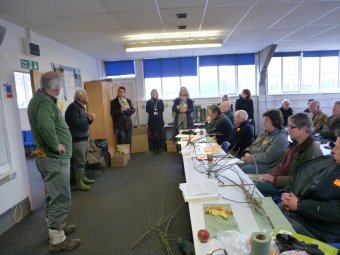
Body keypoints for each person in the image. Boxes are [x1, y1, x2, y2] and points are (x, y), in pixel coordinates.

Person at [27, 71, 81, 252]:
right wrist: (56, 145)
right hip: (54, 158)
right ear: (55, 87)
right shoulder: (44, 102)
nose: (60, 88)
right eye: (59, 85)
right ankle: (57, 240)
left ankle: (56, 227)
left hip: (47, 158)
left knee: (52, 193)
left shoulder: (39, 99)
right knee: (60, 196)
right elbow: (44, 126)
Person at [279, 136, 340, 242]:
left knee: (273, 227)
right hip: (301, 212)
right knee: (268, 213)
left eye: (338, 148)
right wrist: (288, 192)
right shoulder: (331, 162)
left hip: (318, 229)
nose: (333, 150)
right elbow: (303, 179)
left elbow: (335, 211)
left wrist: (299, 205)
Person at [256, 113, 323, 197]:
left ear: (303, 129)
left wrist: (274, 179)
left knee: (252, 187)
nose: (288, 129)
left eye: (292, 127)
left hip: (289, 190)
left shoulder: (312, 151)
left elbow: (301, 180)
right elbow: (282, 165)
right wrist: (270, 176)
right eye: (288, 126)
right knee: (249, 183)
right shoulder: (294, 145)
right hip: (279, 181)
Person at [238, 109, 288, 174]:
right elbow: (253, 145)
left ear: (275, 121)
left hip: (266, 168)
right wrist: (246, 153)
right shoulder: (264, 133)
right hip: (253, 161)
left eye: (266, 120)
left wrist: (251, 158)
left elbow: (268, 157)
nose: (263, 122)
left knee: (239, 171)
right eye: (264, 119)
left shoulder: (280, 138)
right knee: (234, 166)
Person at [65, 89, 96, 191]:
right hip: (77, 139)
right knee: (79, 161)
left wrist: (90, 119)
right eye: (86, 95)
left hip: (84, 137)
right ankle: (79, 183)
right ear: (80, 97)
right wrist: (88, 118)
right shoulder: (73, 107)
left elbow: (83, 123)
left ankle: (83, 178)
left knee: (83, 160)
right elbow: (75, 122)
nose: (88, 96)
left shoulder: (81, 107)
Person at [146, 89, 164, 154]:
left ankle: (159, 147)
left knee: (159, 134)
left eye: (155, 93)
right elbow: (147, 110)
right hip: (152, 121)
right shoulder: (148, 102)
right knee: (153, 135)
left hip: (159, 120)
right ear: (151, 94)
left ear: (157, 94)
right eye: (153, 93)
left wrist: (156, 110)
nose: (154, 94)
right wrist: (153, 109)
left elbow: (162, 110)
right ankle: (154, 147)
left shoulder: (160, 101)